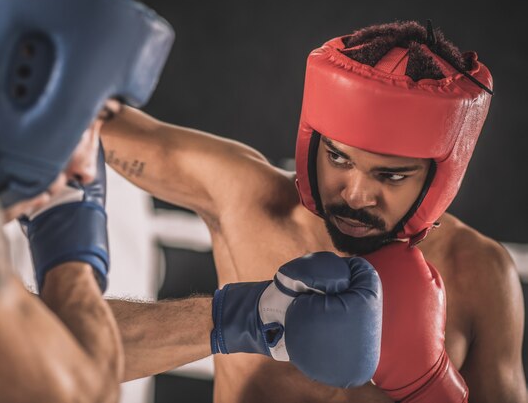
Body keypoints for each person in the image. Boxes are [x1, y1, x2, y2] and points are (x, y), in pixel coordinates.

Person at [102, 21, 527, 403]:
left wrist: (430, 389)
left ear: (439, 178)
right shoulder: (247, 198)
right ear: (312, 143)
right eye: (339, 159)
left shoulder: (478, 272)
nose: (356, 195)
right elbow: (89, 126)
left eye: (391, 176)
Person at [0, 0, 175, 402]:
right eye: (93, 118)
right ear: (26, 75)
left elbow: (19, 353)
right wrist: (73, 261)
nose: (85, 168)